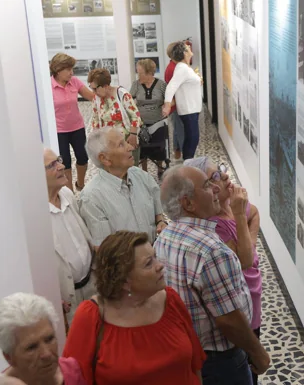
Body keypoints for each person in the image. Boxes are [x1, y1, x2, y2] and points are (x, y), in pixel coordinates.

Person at [155, 165, 270, 385]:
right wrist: (258, 353)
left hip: (189, 351)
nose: (215, 189)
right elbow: (229, 319)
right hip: (221, 361)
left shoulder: (164, 237)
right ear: (188, 203)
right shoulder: (212, 251)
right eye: (207, 185)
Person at [63, 231, 205, 384]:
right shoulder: (90, 316)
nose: (160, 266)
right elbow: (73, 379)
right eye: (148, 263)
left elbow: (195, 365)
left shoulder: (171, 300)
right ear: (124, 281)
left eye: (155, 257)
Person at [184, 157, 263, 385]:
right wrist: (239, 217)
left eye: (221, 171)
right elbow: (246, 261)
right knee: (246, 361)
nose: (225, 176)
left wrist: (250, 241)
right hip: (236, 309)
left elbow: (255, 213)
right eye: (215, 177)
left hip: (252, 297)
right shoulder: (215, 222)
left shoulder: (229, 205)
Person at [79, 127, 167, 247]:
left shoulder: (140, 175)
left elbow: (156, 203)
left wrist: (160, 221)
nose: (130, 147)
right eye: (121, 145)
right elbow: (105, 249)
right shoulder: (92, 198)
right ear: (104, 158)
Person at [43, 148, 96, 325]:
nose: (62, 166)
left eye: (58, 160)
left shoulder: (66, 193)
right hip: (67, 303)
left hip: (91, 287)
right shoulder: (35, 216)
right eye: (52, 165)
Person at [0, 293, 87, 385]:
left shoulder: (72, 371)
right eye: (31, 347)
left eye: (49, 339)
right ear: (9, 357)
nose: (46, 354)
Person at [50, 53, 95, 191]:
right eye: (68, 69)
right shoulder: (48, 86)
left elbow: (92, 97)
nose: (72, 72)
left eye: (72, 69)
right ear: (58, 70)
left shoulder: (74, 81)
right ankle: (70, 194)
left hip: (77, 127)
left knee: (83, 158)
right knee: (66, 163)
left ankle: (80, 184)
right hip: (59, 130)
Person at [87, 68, 144, 165]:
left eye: (95, 88)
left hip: (126, 141)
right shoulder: (96, 99)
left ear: (105, 86)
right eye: (91, 88)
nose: (93, 92)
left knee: (130, 170)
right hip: (108, 145)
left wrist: (133, 135)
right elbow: (96, 120)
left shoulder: (122, 94)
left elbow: (135, 116)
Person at [162, 42, 203, 161]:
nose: (190, 48)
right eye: (187, 48)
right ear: (184, 53)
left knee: (191, 138)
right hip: (188, 109)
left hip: (192, 109)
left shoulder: (184, 67)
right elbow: (171, 86)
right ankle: (188, 163)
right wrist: (167, 104)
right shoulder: (182, 69)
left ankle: (188, 162)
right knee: (192, 138)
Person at [130, 59, 168, 172]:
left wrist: (166, 107)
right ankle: (144, 171)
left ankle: (160, 169)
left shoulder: (161, 85)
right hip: (141, 122)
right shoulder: (136, 84)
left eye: (140, 73)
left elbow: (170, 100)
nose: (138, 75)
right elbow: (129, 100)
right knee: (142, 149)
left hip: (158, 122)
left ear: (149, 73)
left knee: (159, 148)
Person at [164, 42, 185, 161]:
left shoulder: (173, 67)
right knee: (181, 130)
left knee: (178, 129)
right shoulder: (174, 69)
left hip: (176, 104)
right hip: (177, 105)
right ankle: (187, 157)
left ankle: (177, 152)